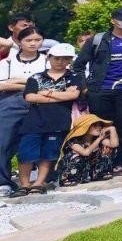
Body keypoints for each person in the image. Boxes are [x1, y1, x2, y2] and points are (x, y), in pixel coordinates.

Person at [76, 6, 122, 172]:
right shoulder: (98, 40)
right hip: (100, 91)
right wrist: (85, 88)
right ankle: (101, 162)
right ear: (113, 21)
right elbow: (78, 66)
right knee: (101, 128)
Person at [17, 41, 82, 193]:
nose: (61, 62)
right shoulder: (36, 77)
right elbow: (30, 96)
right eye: (57, 58)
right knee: (26, 152)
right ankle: (24, 184)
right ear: (49, 57)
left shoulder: (74, 77)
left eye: (65, 59)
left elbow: (73, 95)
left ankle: (39, 183)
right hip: (35, 121)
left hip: (58, 121)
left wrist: (46, 93)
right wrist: (60, 95)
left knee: (49, 153)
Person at [0, 26, 47, 195]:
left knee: (42, 140)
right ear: (19, 42)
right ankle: (3, 181)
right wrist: (31, 82)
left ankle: (42, 178)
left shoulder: (48, 60)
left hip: (42, 103)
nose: (33, 43)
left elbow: (49, 83)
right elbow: (1, 85)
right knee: (3, 141)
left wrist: (17, 81)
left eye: (37, 40)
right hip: (10, 103)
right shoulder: (7, 62)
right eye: (29, 40)